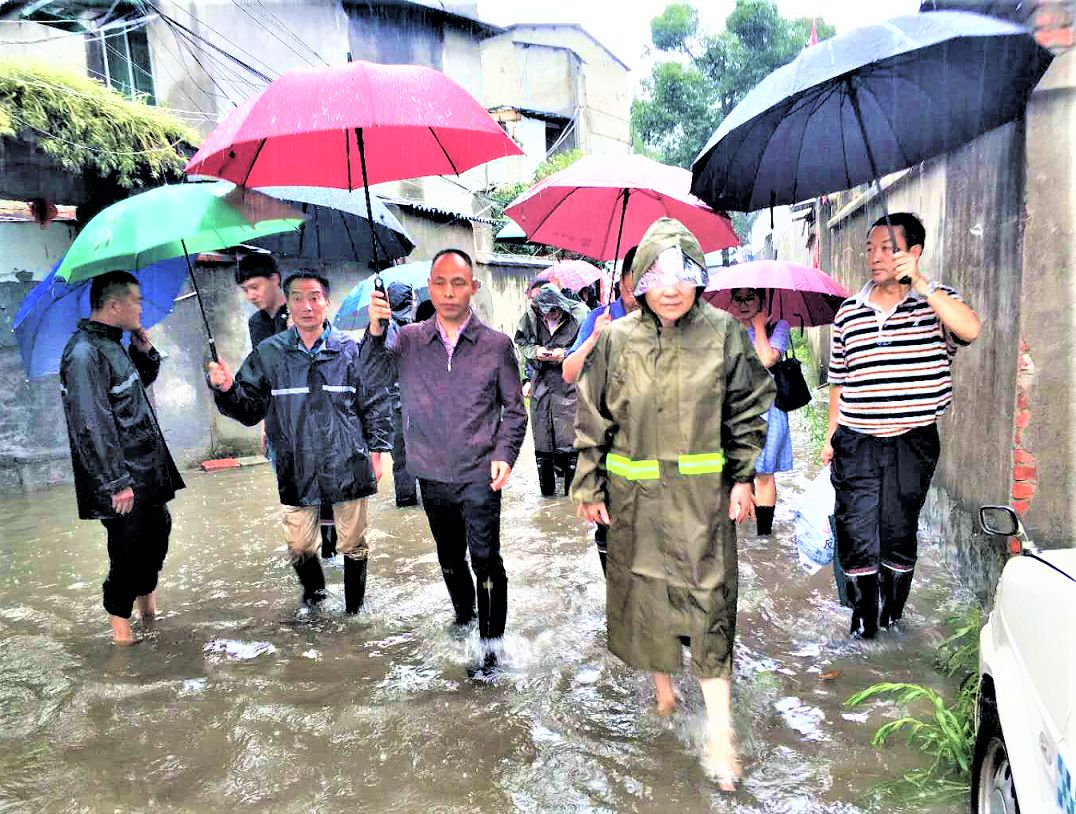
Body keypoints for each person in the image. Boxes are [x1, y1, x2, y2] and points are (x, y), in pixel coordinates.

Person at [572, 218, 774, 788]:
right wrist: (589, 485)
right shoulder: (615, 339)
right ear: (638, 280)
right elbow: (593, 418)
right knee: (648, 599)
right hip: (635, 504)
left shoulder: (723, 333)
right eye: (657, 272)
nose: (670, 285)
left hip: (703, 503)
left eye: (683, 272)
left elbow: (748, 405)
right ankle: (662, 696)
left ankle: (719, 732)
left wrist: (742, 477)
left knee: (710, 605)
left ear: (699, 278)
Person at [365, 249, 527, 679]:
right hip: (430, 471)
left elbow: (515, 409)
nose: (449, 291)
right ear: (429, 289)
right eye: (440, 282)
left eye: (459, 283)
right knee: (449, 555)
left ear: (473, 287)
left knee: (486, 557)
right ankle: (464, 618)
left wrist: (503, 455)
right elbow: (372, 376)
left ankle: (490, 652)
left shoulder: (495, 345)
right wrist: (376, 330)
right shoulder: (409, 340)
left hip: (479, 471)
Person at [822, 213, 981, 639]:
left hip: (913, 442)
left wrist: (924, 287)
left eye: (886, 248)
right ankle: (863, 625)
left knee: (898, 529)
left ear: (913, 253)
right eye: (870, 248)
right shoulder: (849, 312)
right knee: (856, 531)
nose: (874, 257)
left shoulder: (937, 302)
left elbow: (971, 328)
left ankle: (892, 615)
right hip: (857, 441)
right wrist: (830, 436)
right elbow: (840, 378)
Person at [207, 270, 393, 615]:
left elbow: (374, 402)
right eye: (297, 298)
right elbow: (249, 410)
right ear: (288, 304)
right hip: (295, 462)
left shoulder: (350, 350)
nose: (307, 306)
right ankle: (315, 597)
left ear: (326, 302)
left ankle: (354, 611)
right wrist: (226, 389)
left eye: (314, 297)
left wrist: (378, 453)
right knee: (299, 544)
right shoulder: (270, 354)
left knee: (353, 542)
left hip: (347, 460)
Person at [59, 270, 185, 646]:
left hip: (146, 471)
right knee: (128, 553)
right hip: (123, 479)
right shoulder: (83, 353)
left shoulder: (114, 344)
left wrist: (144, 351)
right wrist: (116, 482)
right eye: (137, 301)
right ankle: (122, 640)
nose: (141, 308)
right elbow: (90, 424)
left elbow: (135, 390)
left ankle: (150, 617)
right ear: (114, 305)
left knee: (156, 537)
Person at [235, 253, 339, 558]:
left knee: (325, 487)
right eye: (246, 291)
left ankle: (330, 549)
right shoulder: (257, 324)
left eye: (255, 287)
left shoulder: (304, 311)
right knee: (294, 486)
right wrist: (267, 422)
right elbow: (267, 377)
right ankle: (305, 552)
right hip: (282, 421)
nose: (251, 295)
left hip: (317, 416)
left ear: (274, 280)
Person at [562, 245, 638, 573]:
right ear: (622, 282)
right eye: (636, 284)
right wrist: (595, 337)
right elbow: (569, 372)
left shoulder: (667, 321)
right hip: (608, 441)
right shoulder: (601, 318)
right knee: (609, 531)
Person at [725, 287, 793, 536]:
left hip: (768, 410)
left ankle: (764, 536)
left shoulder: (780, 327)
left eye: (750, 298)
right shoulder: (727, 328)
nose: (743, 304)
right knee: (735, 470)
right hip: (735, 408)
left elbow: (766, 359)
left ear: (762, 299)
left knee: (764, 473)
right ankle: (739, 530)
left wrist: (759, 325)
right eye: (738, 298)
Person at [514, 283, 584, 497]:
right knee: (543, 438)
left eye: (552, 312)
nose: (548, 317)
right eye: (543, 314)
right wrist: (536, 351)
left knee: (570, 438)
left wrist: (566, 353)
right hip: (541, 382)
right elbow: (521, 341)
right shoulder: (530, 318)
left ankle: (571, 496)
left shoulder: (579, 316)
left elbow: (588, 345)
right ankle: (547, 495)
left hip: (569, 383)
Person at [386, 280, 419, 507]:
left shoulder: (384, 330)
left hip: (396, 405)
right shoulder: (420, 329)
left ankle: (407, 501)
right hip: (414, 402)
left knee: (402, 459)